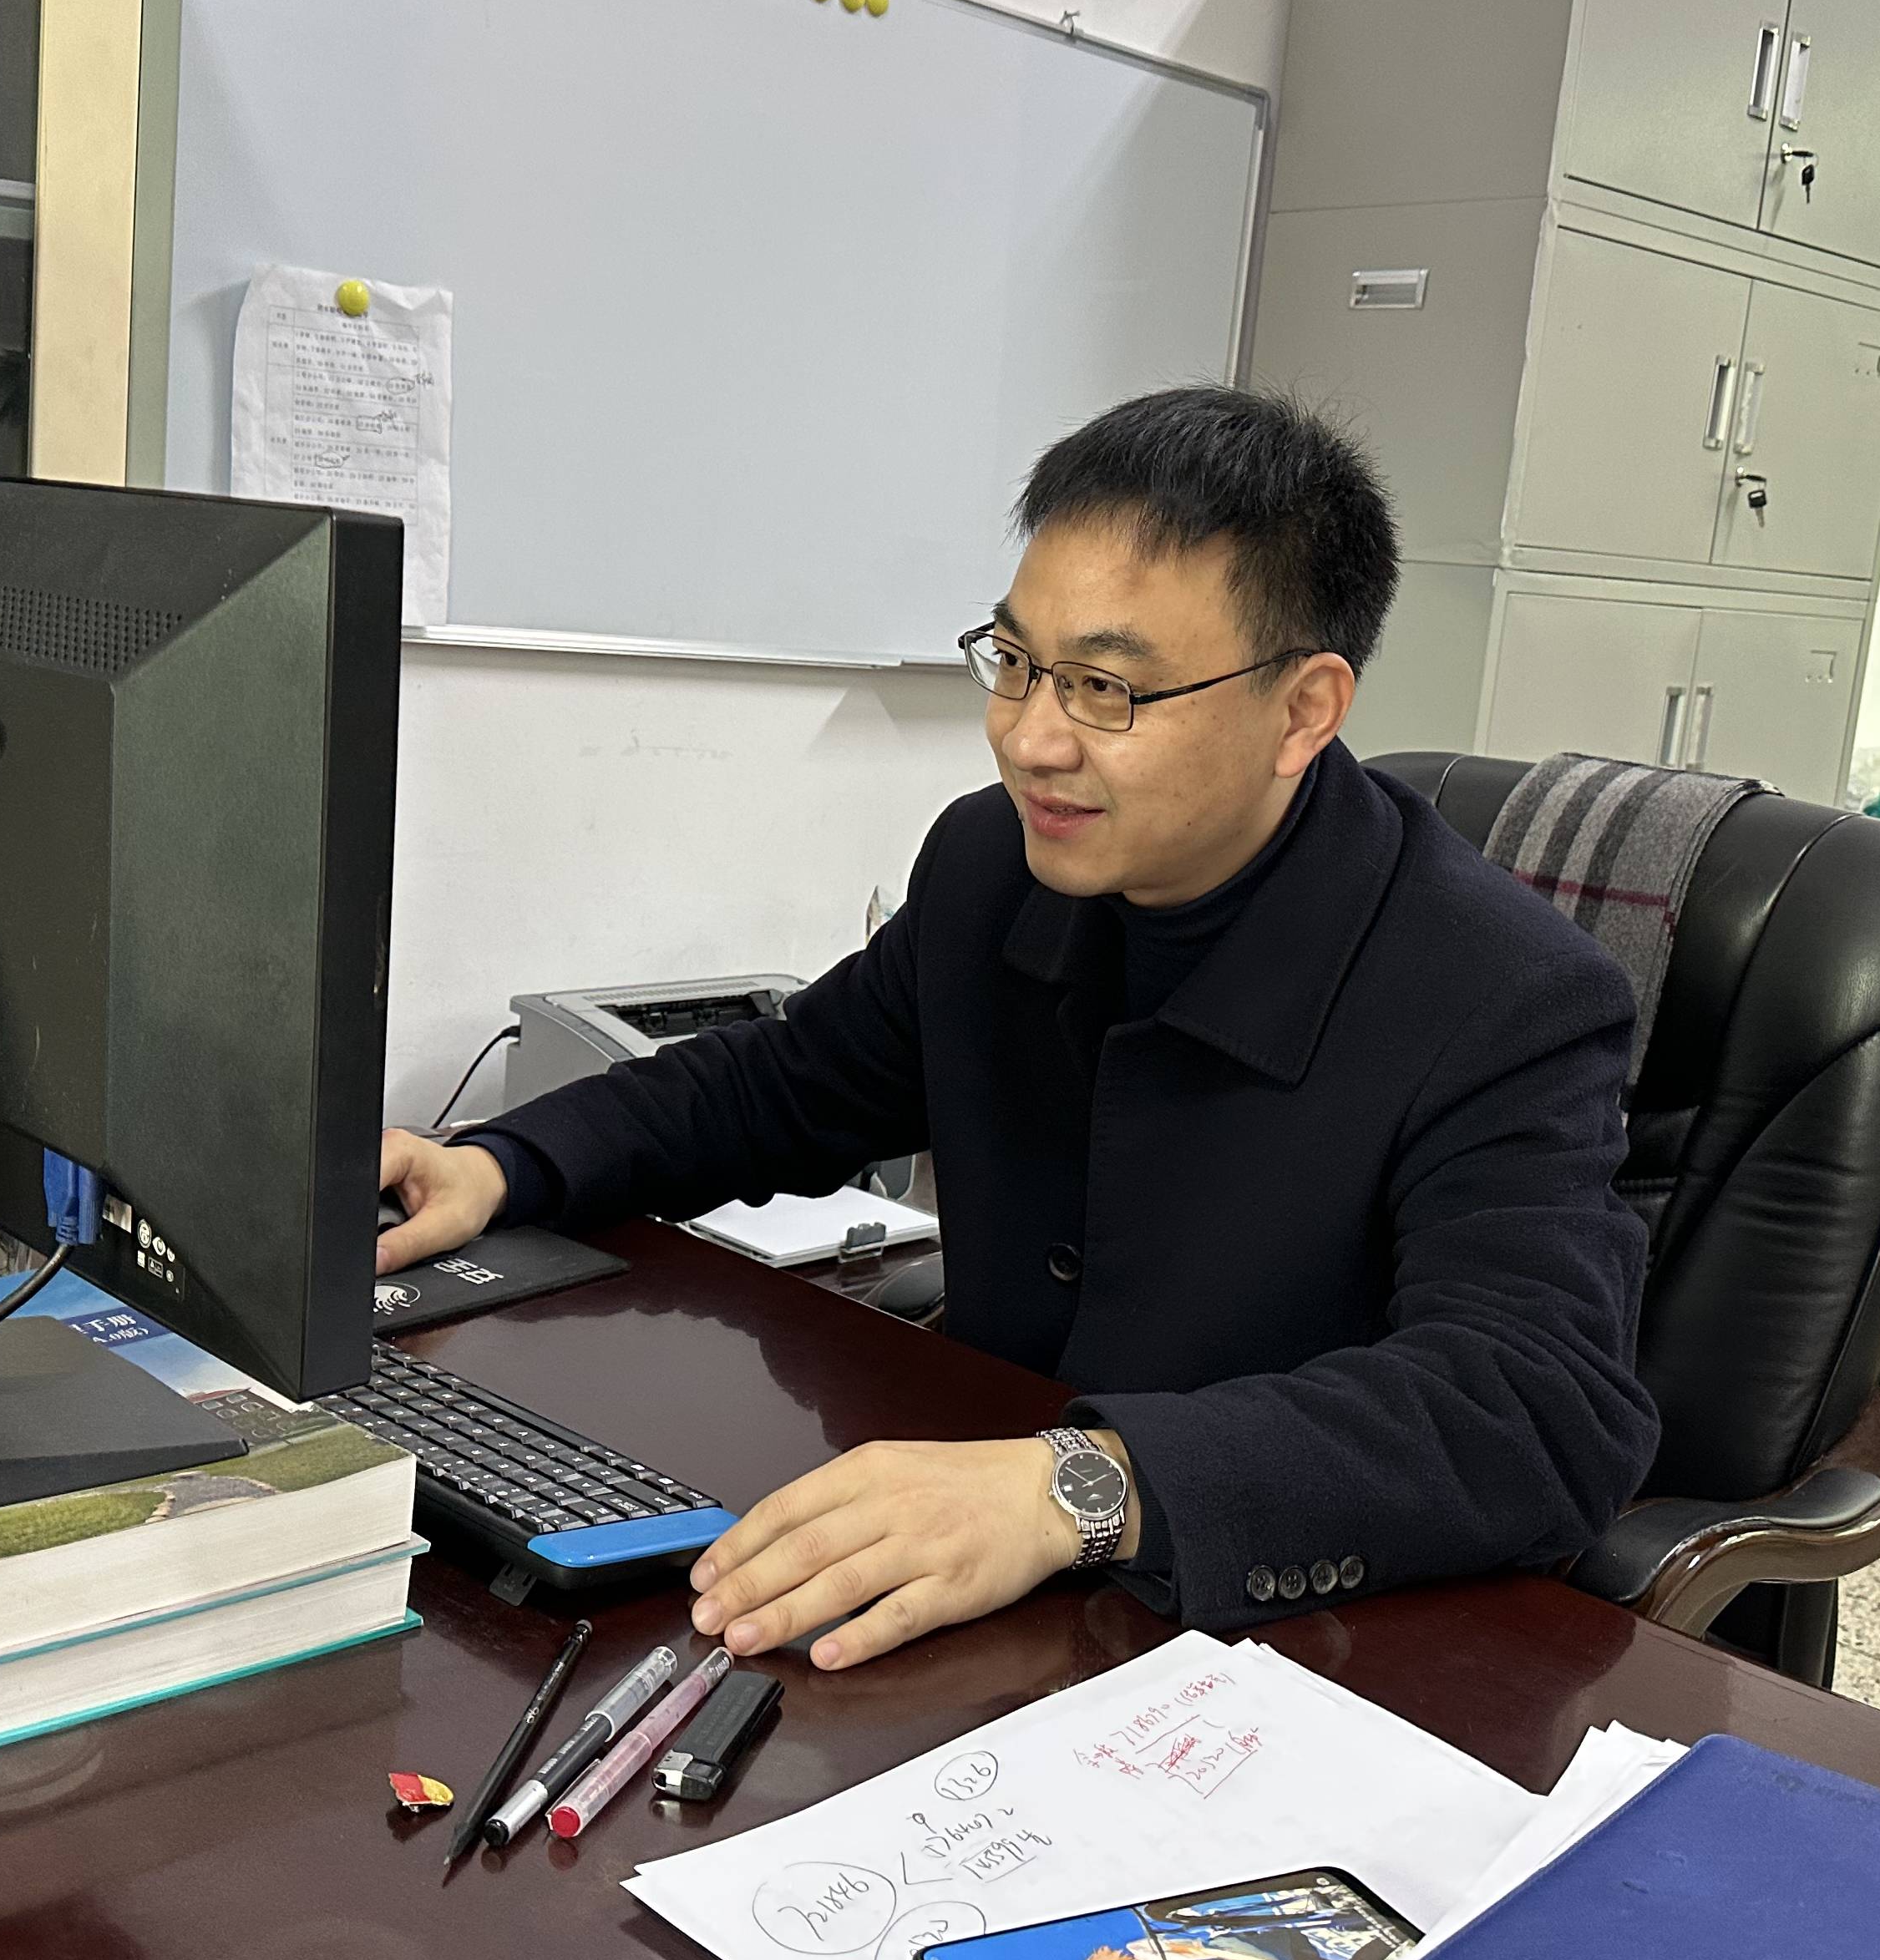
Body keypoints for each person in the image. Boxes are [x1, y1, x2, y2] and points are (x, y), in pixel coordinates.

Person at [376, 385, 1660, 1669]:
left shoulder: (1500, 992)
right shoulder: (994, 865)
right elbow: (783, 1082)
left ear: (1303, 712)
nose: (1031, 739)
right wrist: (503, 1163)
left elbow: (1539, 1408)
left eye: (1106, 687)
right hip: (988, 1604)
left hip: (1280, 1646)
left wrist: (1076, 1484)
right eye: (1016, 662)